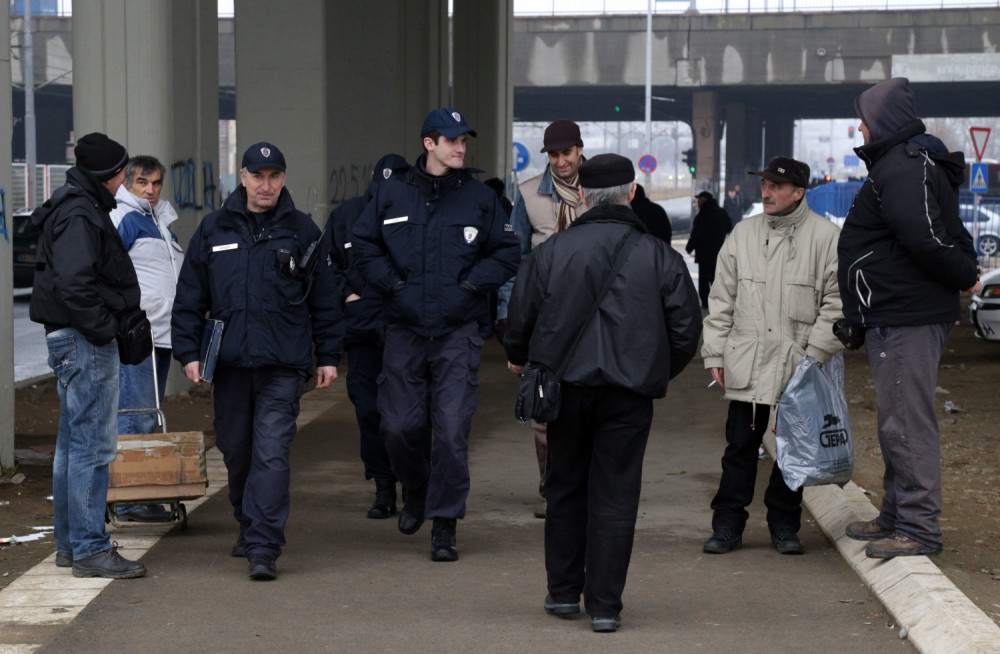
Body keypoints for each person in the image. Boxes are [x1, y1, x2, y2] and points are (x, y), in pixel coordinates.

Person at [504, 153, 702, 633]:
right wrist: (650, 371)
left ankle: (563, 593)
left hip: (565, 390)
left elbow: (520, 319)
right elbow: (686, 333)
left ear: (583, 196)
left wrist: (526, 357)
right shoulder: (660, 256)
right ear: (632, 193)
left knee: (565, 487)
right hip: (628, 395)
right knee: (616, 494)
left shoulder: (551, 252)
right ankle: (607, 606)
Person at [352, 107, 520, 562]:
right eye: (451, 140)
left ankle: (444, 524)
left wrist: (469, 286)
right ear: (429, 144)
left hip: (456, 331)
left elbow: (507, 251)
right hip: (403, 329)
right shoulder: (391, 194)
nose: (460, 147)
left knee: (450, 433)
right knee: (398, 427)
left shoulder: (480, 198)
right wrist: (392, 285)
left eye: (464, 140)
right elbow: (362, 245)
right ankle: (420, 490)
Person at [172, 142, 344, 580]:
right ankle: (249, 526)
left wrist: (328, 356)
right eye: (258, 176)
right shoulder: (213, 230)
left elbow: (325, 299)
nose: (266, 185)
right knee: (237, 451)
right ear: (243, 178)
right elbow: (190, 297)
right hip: (230, 365)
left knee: (271, 452)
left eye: (275, 176)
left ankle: (264, 546)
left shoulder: (303, 231)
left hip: (283, 364)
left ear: (283, 179)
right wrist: (189, 353)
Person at [838, 77, 980, 558]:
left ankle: (918, 529)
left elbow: (926, 238)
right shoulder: (904, 163)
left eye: (864, 118)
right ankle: (898, 514)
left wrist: (965, 276)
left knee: (906, 423)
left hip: (907, 314)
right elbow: (943, 231)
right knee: (895, 420)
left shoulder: (903, 166)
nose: (858, 127)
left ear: (882, 121)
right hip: (899, 311)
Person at [701, 156, 843, 556]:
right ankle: (727, 525)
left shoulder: (826, 238)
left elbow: (837, 303)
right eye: (764, 185)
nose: (767, 192)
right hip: (748, 363)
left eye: (777, 186)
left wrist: (813, 355)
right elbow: (721, 298)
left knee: (792, 450)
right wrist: (714, 351)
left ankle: (784, 525)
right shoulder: (742, 235)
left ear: (799, 192)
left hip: (799, 367)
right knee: (739, 450)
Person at [29, 132, 147, 579]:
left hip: (69, 339)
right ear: (110, 174)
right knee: (92, 448)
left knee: (72, 446)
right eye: (123, 172)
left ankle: (70, 546)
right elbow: (75, 284)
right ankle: (90, 548)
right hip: (84, 341)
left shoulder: (71, 205)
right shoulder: (81, 212)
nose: (126, 180)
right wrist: (104, 331)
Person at [496, 119, 586, 519]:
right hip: (544, 318)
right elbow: (512, 262)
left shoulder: (598, 191)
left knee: (588, 406)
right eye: (554, 154)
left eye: (567, 153)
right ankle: (552, 490)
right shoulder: (528, 194)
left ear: (580, 150)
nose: (562, 161)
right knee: (543, 409)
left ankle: (583, 488)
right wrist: (508, 319)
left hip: (590, 317)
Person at [324, 153, 411, 520]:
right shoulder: (345, 218)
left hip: (407, 330)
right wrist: (347, 294)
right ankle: (383, 487)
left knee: (409, 414)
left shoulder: (418, 215)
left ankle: (414, 484)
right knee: (369, 413)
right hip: (362, 333)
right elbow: (326, 268)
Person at [109, 155, 184, 523]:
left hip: (162, 333)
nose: (150, 190)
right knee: (135, 414)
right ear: (127, 183)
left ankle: (140, 494)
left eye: (156, 183)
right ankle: (129, 501)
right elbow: (106, 271)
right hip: (138, 333)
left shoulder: (161, 222)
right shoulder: (123, 218)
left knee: (149, 414)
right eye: (142, 182)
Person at [685, 191, 732, 309]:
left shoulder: (702, 216)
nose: (697, 203)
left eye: (699, 200)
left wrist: (689, 247)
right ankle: (718, 302)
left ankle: (706, 303)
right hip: (718, 252)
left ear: (704, 200)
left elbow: (696, 234)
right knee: (717, 278)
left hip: (704, 254)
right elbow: (729, 227)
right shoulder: (721, 213)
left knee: (704, 280)